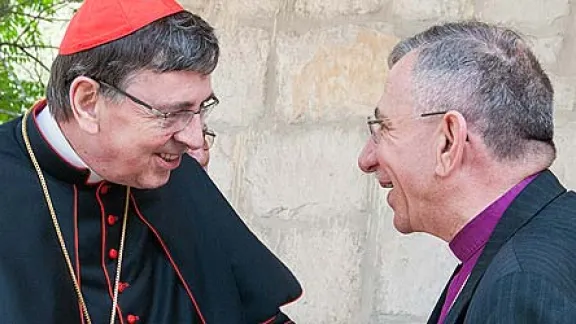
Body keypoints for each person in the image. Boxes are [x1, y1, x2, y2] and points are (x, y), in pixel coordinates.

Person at [0, 0, 302, 323]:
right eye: (172, 113)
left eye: (202, 109)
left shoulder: (170, 168)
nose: (196, 140)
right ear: (87, 102)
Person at [358, 21, 576, 323]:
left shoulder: (522, 283)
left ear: (449, 142)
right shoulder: (540, 241)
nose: (366, 159)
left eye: (383, 128)